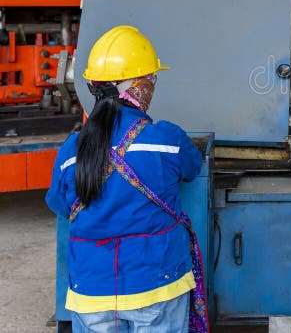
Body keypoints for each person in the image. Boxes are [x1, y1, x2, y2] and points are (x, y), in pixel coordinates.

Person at [46, 25, 207, 333]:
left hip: (90, 291)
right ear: (134, 86)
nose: (152, 86)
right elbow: (192, 166)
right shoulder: (165, 139)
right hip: (157, 285)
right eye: (151, 78)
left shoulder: (72, 151)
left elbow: (60, 204)